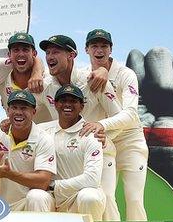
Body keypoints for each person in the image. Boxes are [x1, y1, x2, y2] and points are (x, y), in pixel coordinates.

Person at [37, 34, 120, 220]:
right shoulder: (46, 85)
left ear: (71, 55)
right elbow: (21, 107)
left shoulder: (93, 78)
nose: (50, 56)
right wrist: (7, 122)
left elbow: (121, 116)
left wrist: (103, 129)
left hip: (99, 148)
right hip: (65, 152)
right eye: (47, 52)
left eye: (55, 51)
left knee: (105, 199)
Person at [79, 29, 149, 221]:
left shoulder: (126, 74)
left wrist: (100, 124)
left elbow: (131, 115)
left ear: (111, 49)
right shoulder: (82, 75)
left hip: (129, 140)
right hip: (103, 141)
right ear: (86, 49)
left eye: (104, 46)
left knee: (134, 199)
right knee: (106, 196)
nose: (99, 50)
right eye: (94, 46)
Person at [0, 90, 56, 211]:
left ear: (34, 112)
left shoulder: (44, 139)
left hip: (29, 204)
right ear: (8, 111)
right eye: (14, 107)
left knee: (37, 196)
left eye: (24, 108)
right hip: (3, 204)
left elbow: (43, 182)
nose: (18, 112)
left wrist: (10, 175)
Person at [39, 84, 106, 221]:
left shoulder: (92, 133)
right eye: (63, 100)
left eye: (73, 101)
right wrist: (3, 125)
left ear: (82, 106)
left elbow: (92, 179)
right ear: (55, 104)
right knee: (35, 196)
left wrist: (54, 186)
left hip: (77, 196)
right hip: (52, 197)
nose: (67, 104)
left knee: (89, 196)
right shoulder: (41, 130)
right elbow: (18, 128)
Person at [0, 32, 47, 123]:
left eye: (25, 50)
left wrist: (37, 72)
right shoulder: (2, 76)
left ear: (34, 53)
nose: (21, 54)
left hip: (46, 135)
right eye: (16, 50)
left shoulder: (46, 79)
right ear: (9, 54)